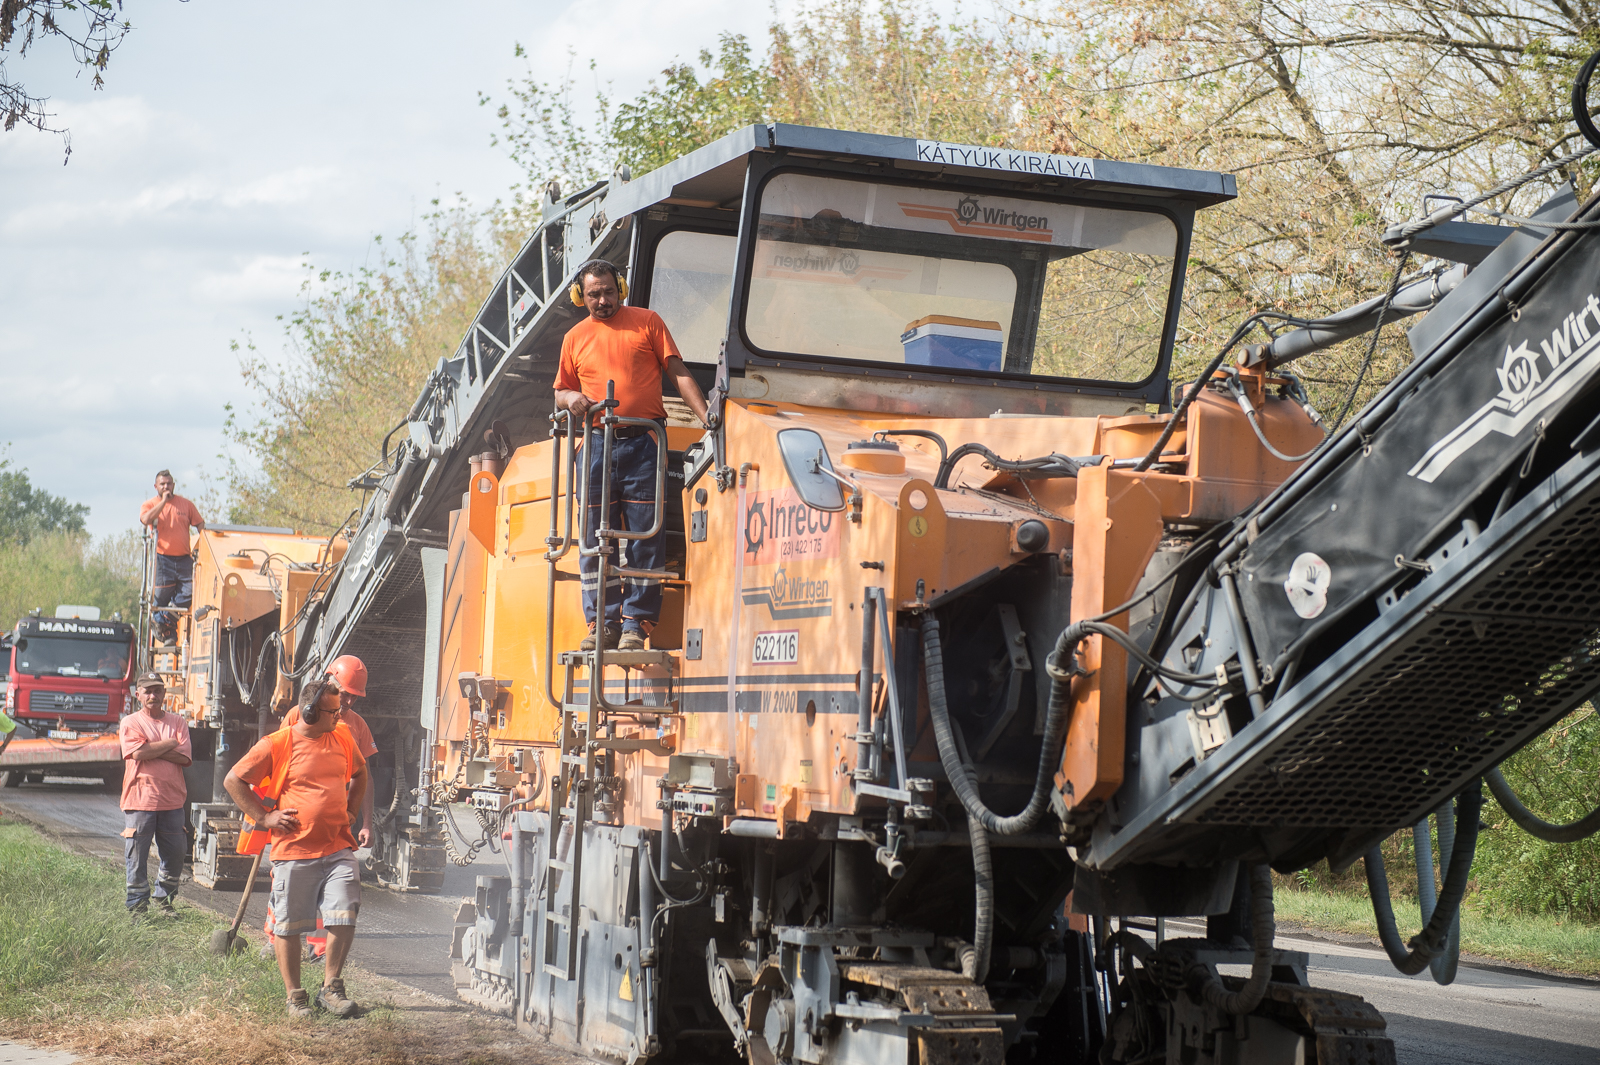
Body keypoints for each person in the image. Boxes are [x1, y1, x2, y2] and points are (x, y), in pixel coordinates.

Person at [553, 259, 711, 652]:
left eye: (608, 291)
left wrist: (708, 417)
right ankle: (601, 625)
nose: (602, 300)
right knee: (594, 539)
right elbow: (560, 390)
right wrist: (571, 397)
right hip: (594, 446)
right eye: (593, 295)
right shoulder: (574, 338)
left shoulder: (648, 322)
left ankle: (634, 626)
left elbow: (677, 371)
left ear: (619, 288)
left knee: (645, 535)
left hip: (643, 444)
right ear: (580, 297)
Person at [225, 677, 369, 1019]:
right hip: (294, 852)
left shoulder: (343, 737)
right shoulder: (276, 744)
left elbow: (361, 773)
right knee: (288, 926)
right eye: (333, 711)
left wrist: (352, 810)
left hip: (337, 848)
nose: (340, 716)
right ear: (308, 711)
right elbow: (234, 780)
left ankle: (331, 987)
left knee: (345, 909)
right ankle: (295, 997)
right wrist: (265, 817)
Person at [280, 656, 379, 848]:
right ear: (329, 684)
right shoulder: (297, 715)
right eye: (344, 694)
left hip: (336, 825)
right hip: (296, 820)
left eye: (355, 696)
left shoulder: (358, 726)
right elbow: (277, 763)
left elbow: (365, 777)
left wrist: (367, 824)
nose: (349, 701)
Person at [119, 672, 192, 920]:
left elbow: (185, 758)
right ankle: (138, 908)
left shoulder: (177, 721)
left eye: (157, 691)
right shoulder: (130, 722)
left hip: (172, 801)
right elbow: (138, 754)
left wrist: (152, 748)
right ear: (137, 694)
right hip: (139, 799)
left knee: (175, 853)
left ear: (164, 694)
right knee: (136, 857)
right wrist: (170, 743)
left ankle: (164, 900)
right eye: (147, 691)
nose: (153, 695)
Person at [139, 470, 205, 645]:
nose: (166, 486)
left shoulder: (185, 505)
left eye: (169, 483)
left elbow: (200, 523)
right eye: (162, 484)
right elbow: (145, 519)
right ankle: (169, 633)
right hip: (162, 558)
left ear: (174, 485)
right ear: (156, 487)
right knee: (160, 598)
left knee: (190, 593)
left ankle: (162, 621)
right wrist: (163, 502)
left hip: (184, 558)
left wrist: (205, 540)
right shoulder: (150, 504)